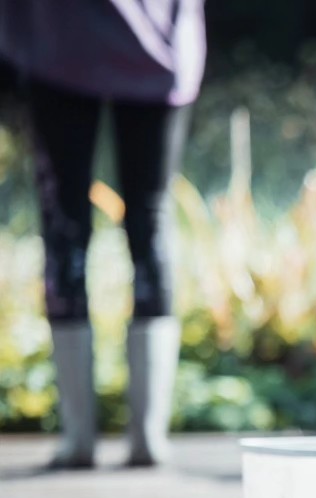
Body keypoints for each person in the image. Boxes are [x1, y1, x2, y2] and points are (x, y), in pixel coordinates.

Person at [0, 0, 206, 468]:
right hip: (158, 38)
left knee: (64, 226)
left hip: (60, 40)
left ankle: (79, 439)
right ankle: (146, 438)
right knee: (149, 223)